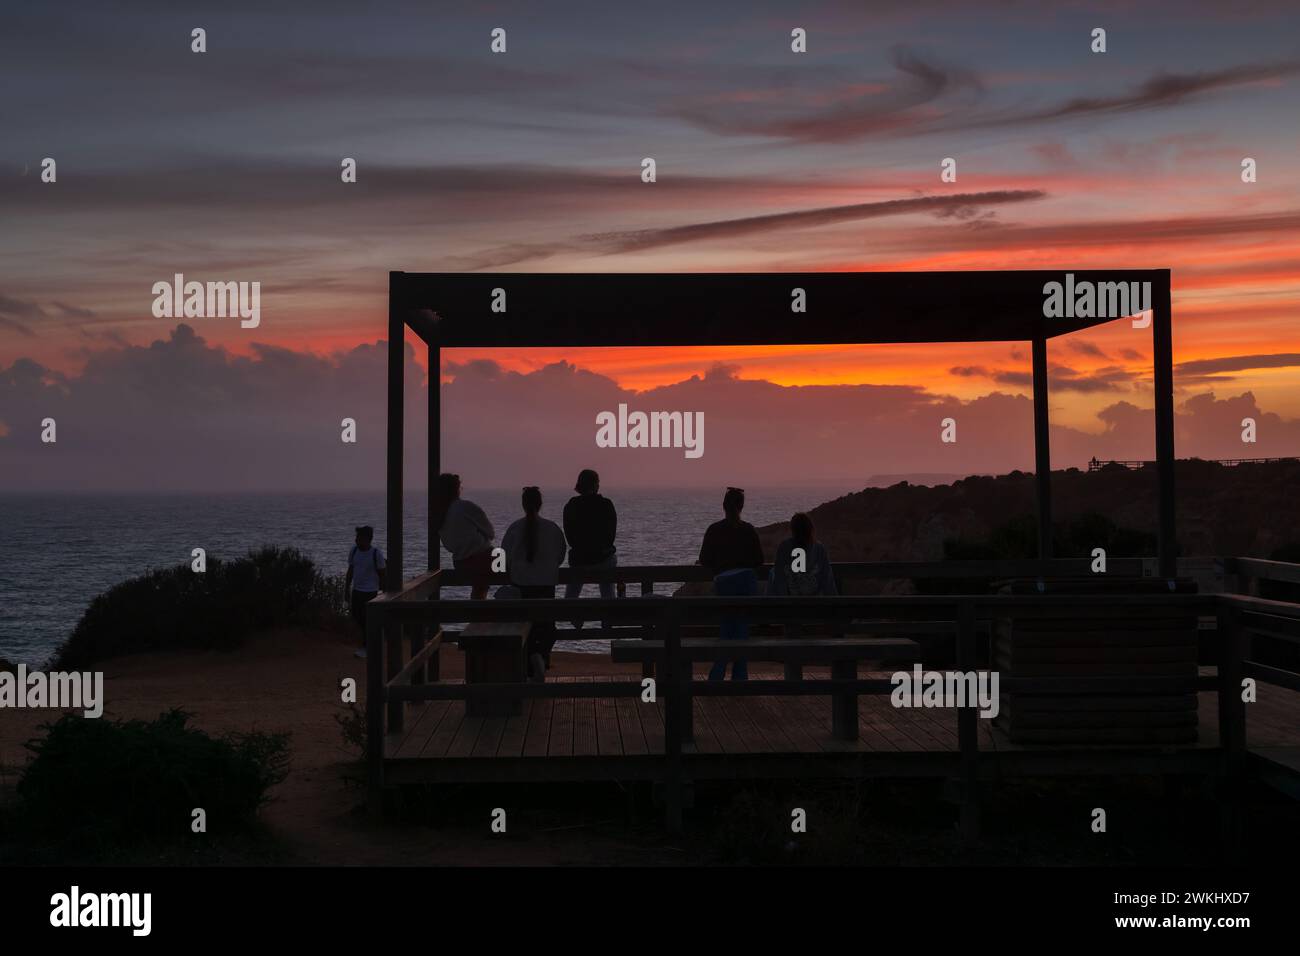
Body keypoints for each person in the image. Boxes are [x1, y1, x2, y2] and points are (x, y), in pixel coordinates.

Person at [501, 487, 567, 681]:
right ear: (540, 504)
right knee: (546, 625)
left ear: (523, 504)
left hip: (521, 585)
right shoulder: (552, 528)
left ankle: (530, 662)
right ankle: (540, 657)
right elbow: (560, 555)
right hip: (546, 584)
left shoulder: (514, 528)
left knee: (523, 626)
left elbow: (503, 556)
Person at [698, 487, 764, 681]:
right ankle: (740, 676)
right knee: (741, 629)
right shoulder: (748, 530)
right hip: (745, 582)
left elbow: (704, 559)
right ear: (741, 506)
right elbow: (759, 560)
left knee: (727, 628)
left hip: (724, 583)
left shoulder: (714, 530)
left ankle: (718, 673)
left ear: (723, 506)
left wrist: (721, 566)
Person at [562, 469, 618, 629]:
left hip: (579, 560)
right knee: (607, 587)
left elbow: (570, 536)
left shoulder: (571, 506)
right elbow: (611, 536)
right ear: (596, 485)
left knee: (572, 591)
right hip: (603, 559)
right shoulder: (606, 505)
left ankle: (575, 618)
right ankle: (607, 619)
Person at [434, 473, 495, 600]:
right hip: (484, 559)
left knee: (479, 587)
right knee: (514, 564)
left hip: (460, 563)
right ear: (457, 489)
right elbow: (491, 533)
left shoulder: (440, 512)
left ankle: (477, 615)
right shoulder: (465, 507)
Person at [769, 512, 837, 597]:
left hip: (789, 602)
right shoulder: (819, 548)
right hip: (814, 603)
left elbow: (780, 578)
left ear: (793, 530)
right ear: (810, 529)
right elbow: (827, 580)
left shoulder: (784, 547)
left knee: (772, 573)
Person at [345, 525, 387, 659]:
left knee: (367, 620)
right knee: (357, 617)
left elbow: (382, 574)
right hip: (357, 590)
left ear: (367, 539)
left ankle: (368, 647)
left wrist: (384, 594)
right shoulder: (354, 551)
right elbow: (350, 570)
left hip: (371, 592)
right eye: (356, 537)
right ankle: (369, 644)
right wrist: (346, 588)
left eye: (359, 537)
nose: (356, 540)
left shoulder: (376, 554)